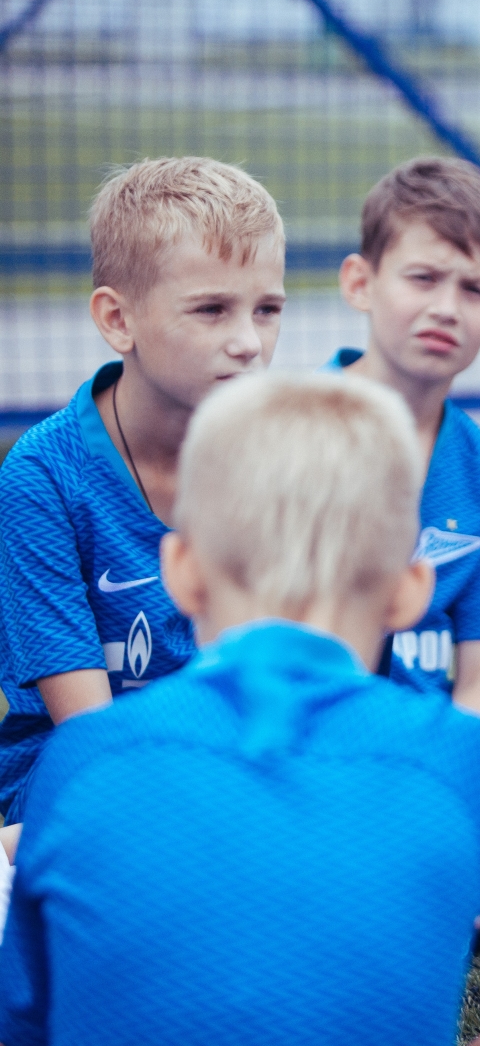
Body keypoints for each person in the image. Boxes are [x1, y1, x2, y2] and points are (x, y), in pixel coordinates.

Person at [0, 372, 480, 1046]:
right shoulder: (461, 759)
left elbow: (29, 1022)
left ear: (181, 570)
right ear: (410, 590)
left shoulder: (84, 757)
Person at [0, 157, 286, 853]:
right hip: (80, 778)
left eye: (268, 309)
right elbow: (91, 733)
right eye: (212, 309)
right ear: (117, 318)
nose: (249, 342)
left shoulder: (281, 453)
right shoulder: (43, 475)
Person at [328, 156, 480, 719]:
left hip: (426, 762)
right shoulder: (283, 429)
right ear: (360, 283)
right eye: (423, 278)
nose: (445, 309)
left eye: (474, 290)